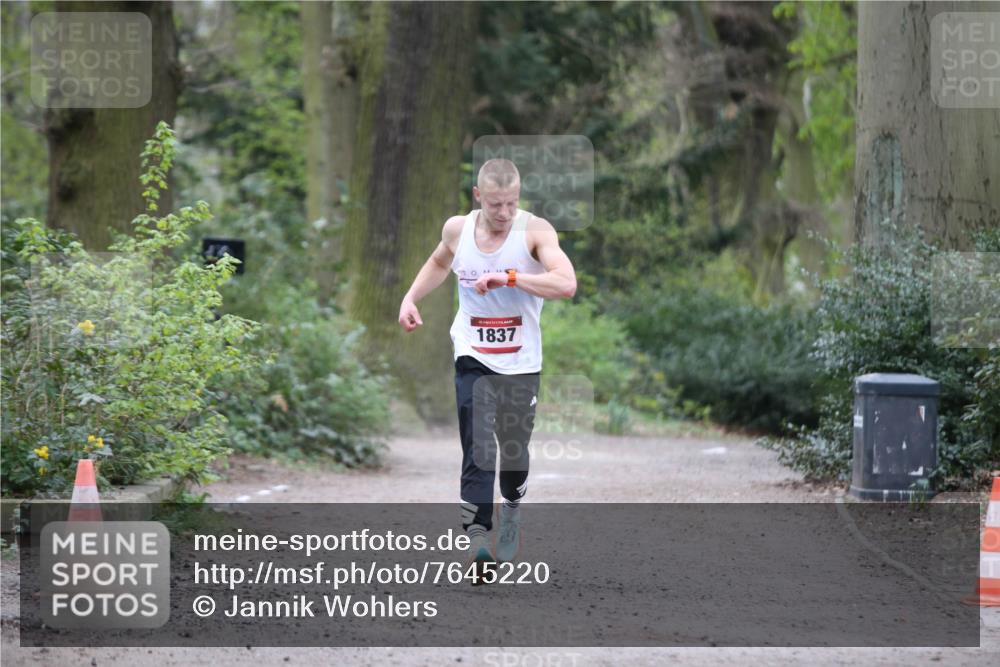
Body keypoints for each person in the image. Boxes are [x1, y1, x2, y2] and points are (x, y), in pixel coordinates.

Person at [398, 158, 577, 573]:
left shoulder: (535, 230)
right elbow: (440, 261)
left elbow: (566, 284)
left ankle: (511, 507)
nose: (504, 214)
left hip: (521, 361)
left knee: (513, 452)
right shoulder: (457, 229)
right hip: (472, 353)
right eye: (496, 205)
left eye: (511, 204)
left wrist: (510, 277)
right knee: (478, 446)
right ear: (478, 197)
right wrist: (411, 298)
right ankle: (478, 539)